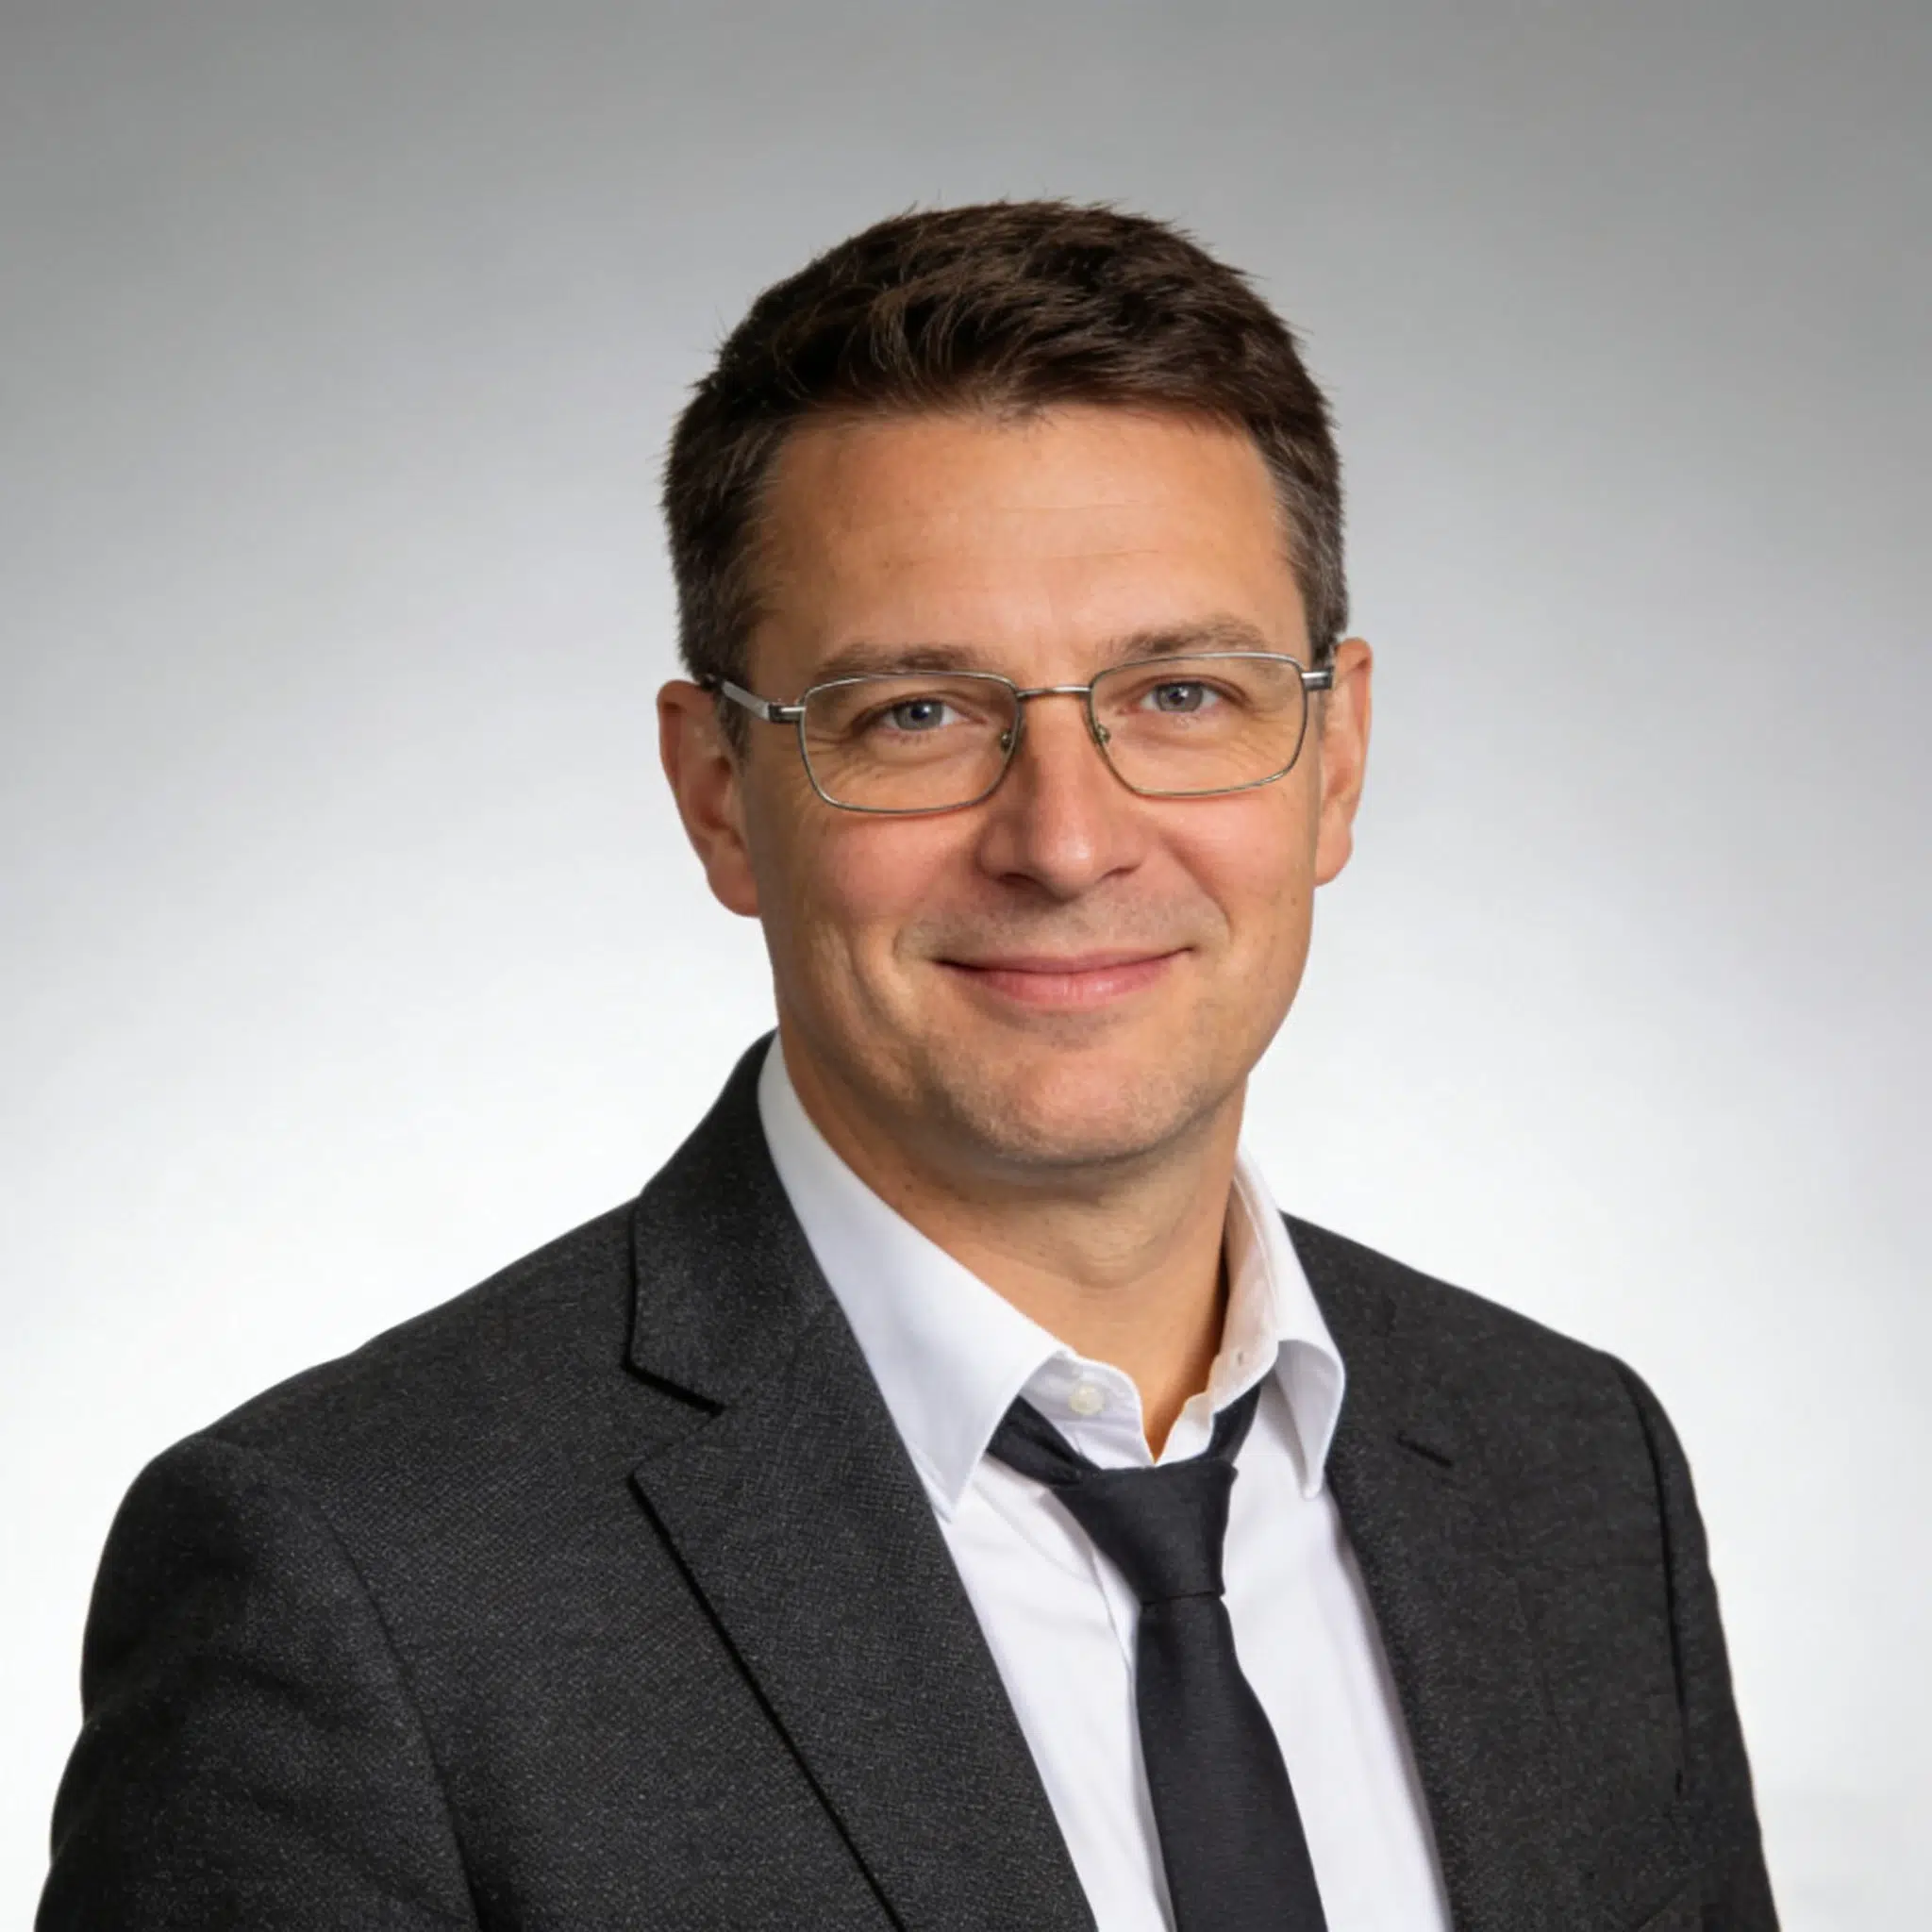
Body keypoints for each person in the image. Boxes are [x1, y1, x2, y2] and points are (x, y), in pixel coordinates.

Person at [40, 201, 1778, 1932]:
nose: (1067, 842)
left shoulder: (1573, 1471)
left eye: (1182, 692)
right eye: (916, 716)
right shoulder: (352, 1579)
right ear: (720, 795)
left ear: (1334, 757)